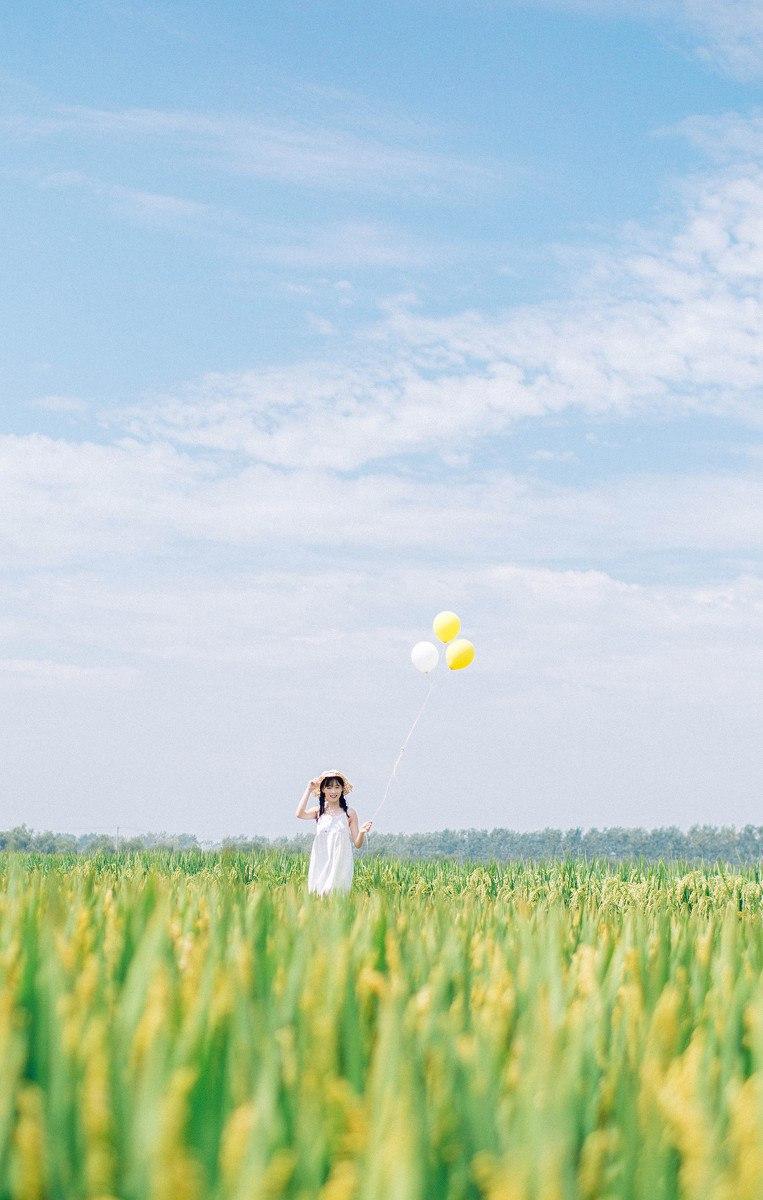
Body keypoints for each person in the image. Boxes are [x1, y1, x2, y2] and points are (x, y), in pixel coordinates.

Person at [295, 770, 373, 895]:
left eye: (337, 787)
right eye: (329, 787)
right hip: (321, 861)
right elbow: (299, 814)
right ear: (323, 790)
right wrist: (309, 789)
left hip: (340, 863)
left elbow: (357, 844)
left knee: (334, 894)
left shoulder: (349, 813)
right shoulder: (319, 811)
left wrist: (362, 832)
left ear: (342, 789)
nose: (333, 791)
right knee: (318, 895)